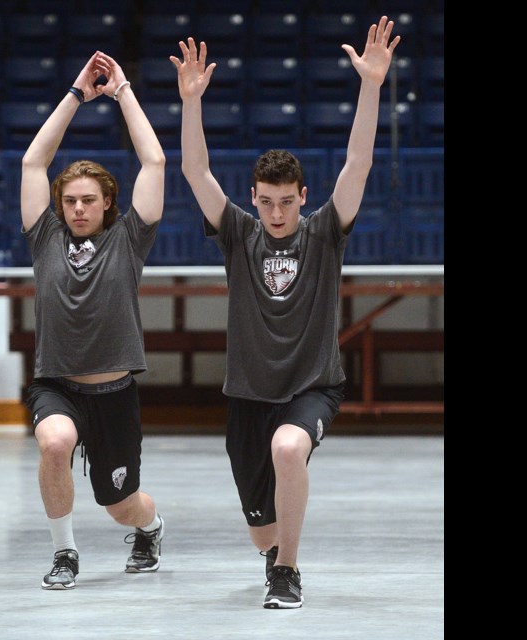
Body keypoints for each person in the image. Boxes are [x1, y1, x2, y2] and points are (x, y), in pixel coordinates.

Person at [171, 17, 401, 608]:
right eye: (266, 201)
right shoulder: (239, 235)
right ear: (254, 198)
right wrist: (190, 103)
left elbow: (358, 163)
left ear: (303, 196)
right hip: (248, 394)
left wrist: (371, 85)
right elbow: (196, 172)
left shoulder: (325, 233)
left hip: (312, 386)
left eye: (286, 201)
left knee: (289, 450)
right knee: (260, 529)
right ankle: (275, 553)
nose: (276, 212)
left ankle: (288, 574)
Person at [20, 51, 167, 590]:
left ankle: (150, 528)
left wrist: (123, 92)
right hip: (56, 383)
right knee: (54, 443)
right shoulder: (45, 238)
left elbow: (154, 164)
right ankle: (65, 554)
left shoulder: (129, 240)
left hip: (114, 392)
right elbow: (33, 164)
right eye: (70, 201)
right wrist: (77, 94)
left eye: (89, 200)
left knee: (121, 504)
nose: (78, 208)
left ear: (108, 203)